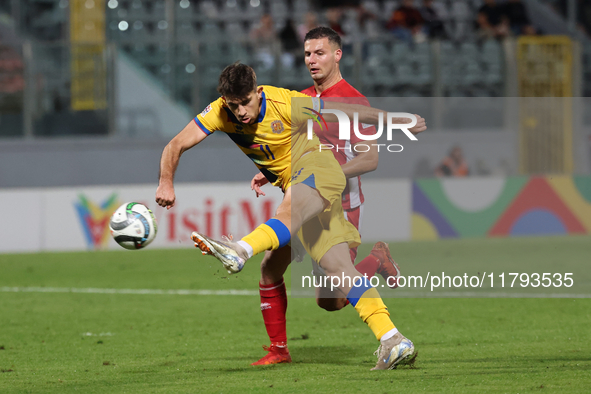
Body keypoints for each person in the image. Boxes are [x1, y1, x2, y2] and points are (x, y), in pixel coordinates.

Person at [155, 63, 426, 370]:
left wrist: (398, 120)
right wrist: (166, 181)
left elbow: (345, 110)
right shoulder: (219, 112)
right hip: (294, 182)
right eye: (234, 105)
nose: (241, 111)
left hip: (317, 168)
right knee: (326, 271)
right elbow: (175, 144)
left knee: (288, 211)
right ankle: (392, 339)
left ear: (258, 93)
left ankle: (241, 249)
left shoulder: (286, 103)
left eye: (246, 102)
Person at [248, 27, 403, 366]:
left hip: (342, 207)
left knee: (330, 301)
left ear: (337, 55)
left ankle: (377, 258)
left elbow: (370, 158)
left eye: (319, 53)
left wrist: (325, 177)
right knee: (270, 266)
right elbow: (297, 153)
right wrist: (272, 171)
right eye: (307, 54)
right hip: (303, 201)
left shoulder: (352, 101)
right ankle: (278, 351)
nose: (311, 60)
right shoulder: (302, 100)